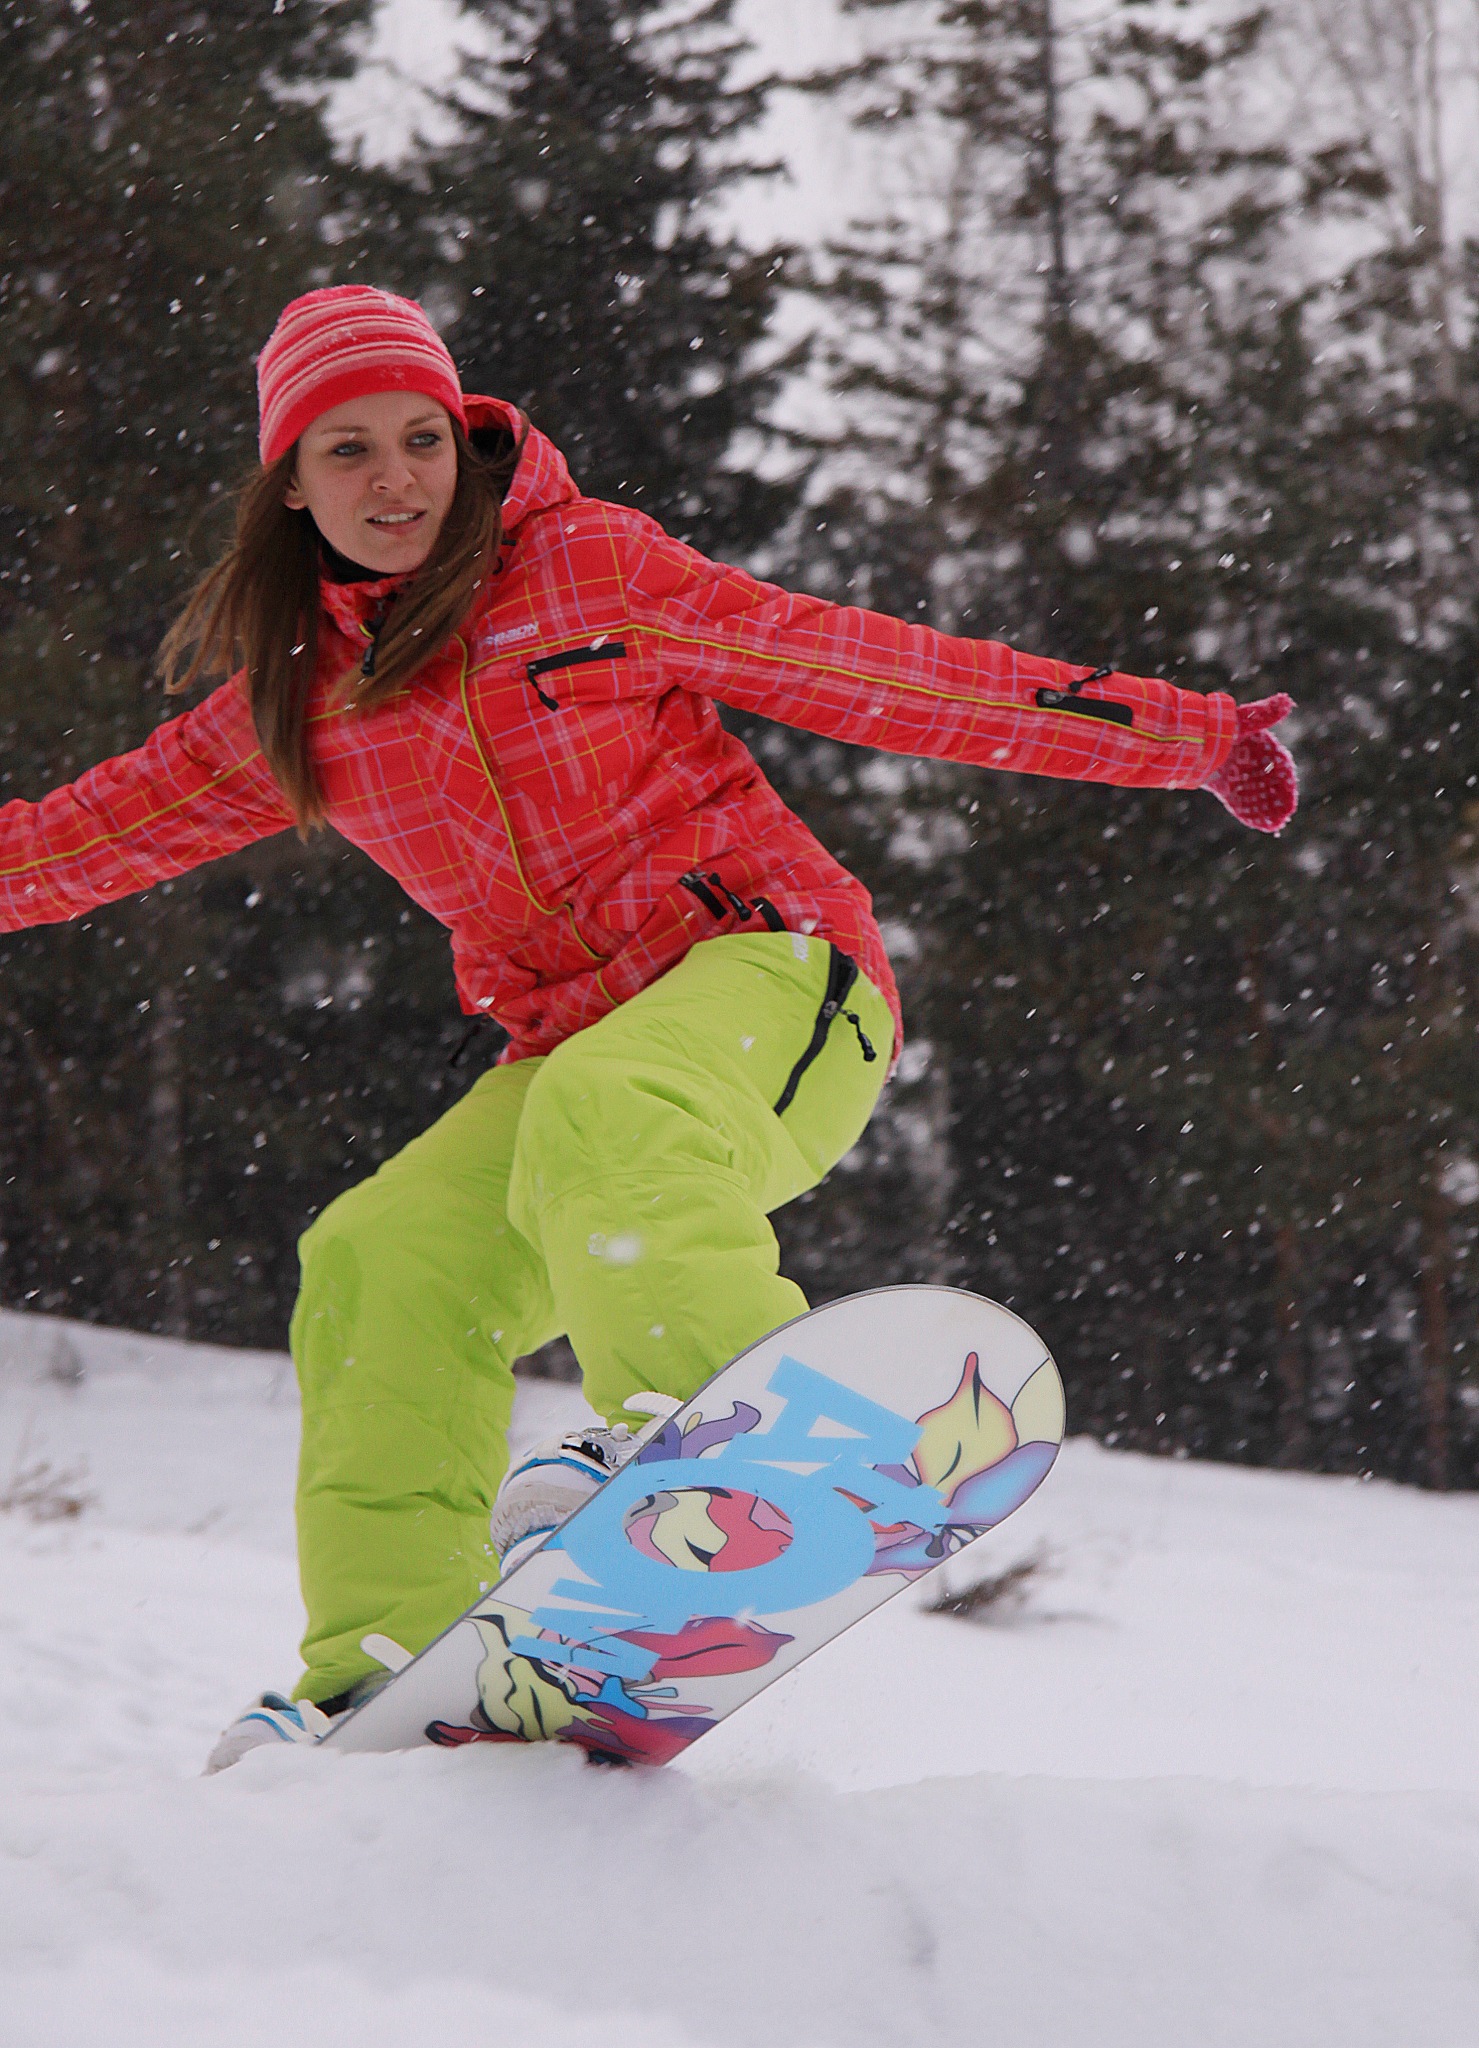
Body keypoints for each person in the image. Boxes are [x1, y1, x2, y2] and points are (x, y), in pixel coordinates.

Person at [0, 287, 1297, 1765]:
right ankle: (388, 1664)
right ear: (289, 484)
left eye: (421, 439)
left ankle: (726, 1439)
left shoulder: (591, 571)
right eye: (346, 451)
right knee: (379, 1257)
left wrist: (1189, 736)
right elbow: (65, 844)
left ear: (464, 441)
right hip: (576, 1060)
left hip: (780, 979)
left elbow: (873, 670)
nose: (395, 479)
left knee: (609, 1103)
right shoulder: (300, 699)